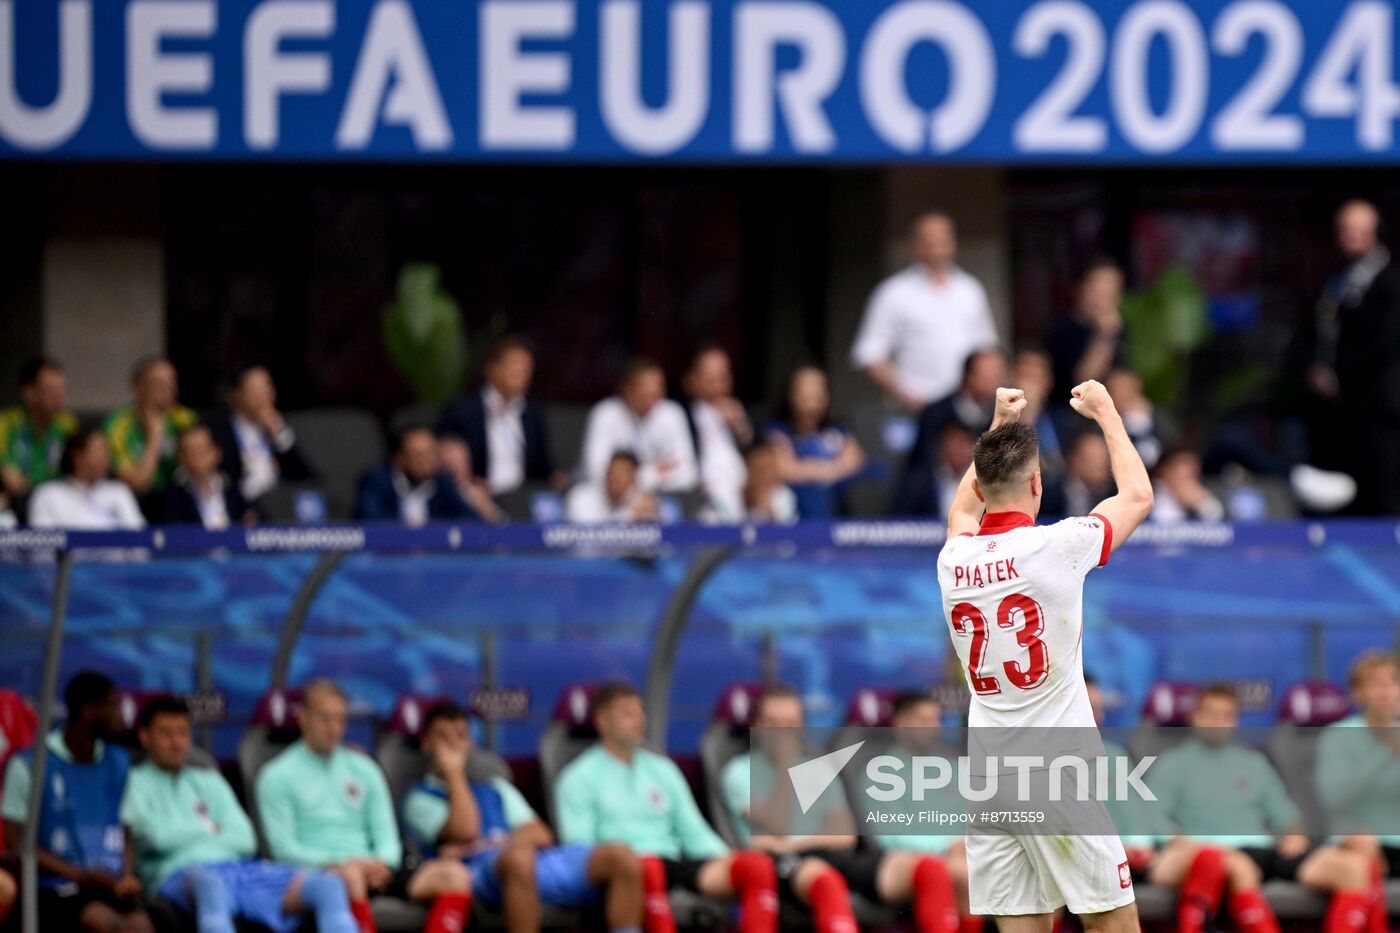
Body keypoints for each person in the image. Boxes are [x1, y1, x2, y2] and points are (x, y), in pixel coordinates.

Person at [938, 378, 1155, 932]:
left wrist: (997, 427)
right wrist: (1108, 414)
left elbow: (963, 509)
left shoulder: (953, 559)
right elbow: (1136, 497)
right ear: (1037, 483)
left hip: (989, 778)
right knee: (1114, 922)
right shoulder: (1054, 546)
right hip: (1056, 773)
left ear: (984, 488)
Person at [722, 685, 976, 933]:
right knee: (826, 881)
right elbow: (777, 822)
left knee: (929, 868)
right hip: (781, 865)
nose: (782, 732)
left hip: (834, 856)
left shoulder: (818, 767)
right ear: (756, 723)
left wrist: (784, 843)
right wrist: (786, 767)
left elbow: (845, 836)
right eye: (773, 723)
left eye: (790, 724)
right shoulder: (739, 771)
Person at [121, 695, 357, 933]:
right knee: (210, 884)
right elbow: (156, 838)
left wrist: (182, 830)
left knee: (328, 885)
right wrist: (210, 829)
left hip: (239, 870)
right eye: (166, 734)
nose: (177, 742)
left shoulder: (209, 779)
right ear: (144, 736)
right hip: (178, 875)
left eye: (183, 733)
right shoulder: (133, 782)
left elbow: (245, 839)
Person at [554, 683, 779, 933]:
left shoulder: (663, 769)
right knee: (649, 868)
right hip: (624, 872)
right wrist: (621, 862)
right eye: (627, 713)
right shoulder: (577, 777)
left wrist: (727, 856)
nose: (638, 720)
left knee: (756, 866)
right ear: (602, 721)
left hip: (672, 862)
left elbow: (693, 829)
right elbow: (580, 850)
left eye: (641, 712)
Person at [1147, 684, 1373, 933]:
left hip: (1263, 850)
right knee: (1238, 867)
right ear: (1195, 716)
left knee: (1353, 868)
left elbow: (1285, 815)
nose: (1219, 722)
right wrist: (1182, 842)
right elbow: (1152, 817)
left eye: (1226, 715)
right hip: (1210, 853)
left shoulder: (1254, 762)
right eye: (1211, 714)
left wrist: (1293, 834)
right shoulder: (1173, 765)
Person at [402, 701, 644, 933]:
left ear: (470, 744)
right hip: (477, 872)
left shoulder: (495, 786)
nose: (454, 745)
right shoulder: (419, 798)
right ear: (427, 744)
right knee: (519, 860)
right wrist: (454, 775)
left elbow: (540, 834)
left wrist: (494, 843)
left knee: (621, 856)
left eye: (461, 736)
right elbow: (465, 829)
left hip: (532, 862)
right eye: (444, 737)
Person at [255, 679, 473, 933]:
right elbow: (284, 851)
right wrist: (345, 863)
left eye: (340, 719)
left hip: (375, 868)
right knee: (350, 877)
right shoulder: (276, 775)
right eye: (325, 719)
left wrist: (382, 862)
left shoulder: (364, 768)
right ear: (303, 718)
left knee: (456, 876)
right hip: (320, 873)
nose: (334, 728)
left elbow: (386, 834)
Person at [1, 671, 154, 933]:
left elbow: (124, 830)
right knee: (106, 924)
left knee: (142, 926)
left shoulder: (119, 761)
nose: (121, 715)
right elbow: (17, 843)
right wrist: (79, 876)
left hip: (109, 886)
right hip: (54, 887)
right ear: (88, 712)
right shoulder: (29, 763)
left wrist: (127, 875)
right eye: (113, 705)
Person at [851, 211, 999, 411]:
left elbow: (986, 349)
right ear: (913, 245)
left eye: (943, 240)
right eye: (928, 241)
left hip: (965, 411)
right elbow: (868, 354)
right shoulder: (893, 292)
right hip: (914, 410)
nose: (936, 248)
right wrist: (907, 394)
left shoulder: (970, 290)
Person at [1316, 651, 1400, 933]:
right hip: (1354, 842)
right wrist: (1386, 751)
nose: (1386, 691)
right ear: (1357, 693)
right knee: (1363, 850)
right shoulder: (1338, 736)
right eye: (1376, 683)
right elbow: (1335, 797)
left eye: (1393, 682)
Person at [437, 335, 556, 495]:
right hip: (477, 494)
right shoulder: (463, 411)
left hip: (522, 499)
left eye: (527, 366)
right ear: (491, 369)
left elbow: (543, 468)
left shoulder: (532, 414)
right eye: (515, 364)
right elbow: (447, 464)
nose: (523, 371)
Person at [892, 349, 1005, 515]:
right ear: (968, 376)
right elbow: (921, 464)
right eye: (986, 377)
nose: (992, 383)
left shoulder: (1003, 415)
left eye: (997, 376)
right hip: (934, 508)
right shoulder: (935, 413)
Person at [581, 359, 698, 494]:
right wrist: (653, 472)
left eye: (657, 392)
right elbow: (595, 472)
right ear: (627, 390)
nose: (652, 398)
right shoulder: (605, 413)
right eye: (645, 392)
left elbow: (688, 474)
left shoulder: (671, 413)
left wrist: (636, 477)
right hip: (607, 499)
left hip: (656, 500)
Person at [209, 365, 316, 506]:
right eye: (255, 389)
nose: (264, 395)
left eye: (267, 387)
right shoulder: (220, 433)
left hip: (280, 511)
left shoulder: (282, 429)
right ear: (238, 395)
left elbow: (307, 479)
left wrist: (280, 436)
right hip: (242, 513)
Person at [767, 367, 865, 519]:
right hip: (794, 520)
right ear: (791, 395)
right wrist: (831, 469)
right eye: (805, 397)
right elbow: (784, 469)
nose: (811, 405)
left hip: (835, 519)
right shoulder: (779, 431)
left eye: (817, 396)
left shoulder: (838, 430)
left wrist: (807, 469)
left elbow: (855, 461)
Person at [104, 357, 199, 499]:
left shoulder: (186, 420)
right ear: (139, 387)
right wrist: (155, 436)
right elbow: (137, 484)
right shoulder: (118, 425)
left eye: (172, 381)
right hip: (137, 502)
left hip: (180, 501)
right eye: (160, 383)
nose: (170, 389)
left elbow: (201, 471)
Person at [682, 345, 753, 520]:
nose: (718, 384)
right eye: (710, 378)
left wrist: (739, 425)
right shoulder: (683, 416)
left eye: (723, 376)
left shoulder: (738, 410)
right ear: (691, 380)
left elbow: (755, 454)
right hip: (702, 500)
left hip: (742, 496)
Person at [354, 425, 476, 524]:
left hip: (434, 552)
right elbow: (371, 522)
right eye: (419, 455)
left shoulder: (443, 482)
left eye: (432, 453)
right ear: (399, 459)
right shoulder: (376, 481)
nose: (428, 461)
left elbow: (469, 522)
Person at [28, 429, 145, 529]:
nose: (105, 458)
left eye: (107, 452)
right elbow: (42, 545)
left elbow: (140, 537)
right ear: (77, 456)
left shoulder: (119, 491)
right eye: (99, 451)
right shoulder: (47, 494)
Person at [1048, 259, 1129, 404]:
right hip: (1070, 412)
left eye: (1113, 289)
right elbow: (1083, 383)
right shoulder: (1063, 330)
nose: (1106, 298)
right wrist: (1104, 336)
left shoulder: (1123, 327)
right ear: (1082, 288)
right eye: (1101, 289)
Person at [0, 356, 77, 503]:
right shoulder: (5, 424)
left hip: (58, 503)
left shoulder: (68, 425)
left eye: (61, 388)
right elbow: (12, 481)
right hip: (15, 504)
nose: (59, 395)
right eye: (50, 389)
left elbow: (76, 477)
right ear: (28, 392)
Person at [163, 425, 251, 529]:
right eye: (189, 451)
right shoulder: (173, 499)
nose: (196, 457)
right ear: (181, 458)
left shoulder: (235, 490)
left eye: (201, 449)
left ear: (216, 452)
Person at [566, 452, 660, 524]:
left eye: (623, 474)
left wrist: (648, 514)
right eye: (612, 471)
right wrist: (629, 515)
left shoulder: (640, 498)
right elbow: (588, 535)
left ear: (634, 480)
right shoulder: (580, 496)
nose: (615, 478)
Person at [437, 436, 506, 524]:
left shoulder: (485, 491)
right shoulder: (435, 493)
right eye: (449, 464)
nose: (454, 469)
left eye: (459, 461)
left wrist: (489, 510)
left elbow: (503, 524)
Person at [1149, 448, 1224, 524]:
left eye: (1194, 474)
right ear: (1165, 472)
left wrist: (1203, 502)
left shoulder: (1201, 498)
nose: (1190, 483)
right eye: (1186, 475)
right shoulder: (1150, 493)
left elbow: (1217, 527)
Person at [741, 444, 797, 524]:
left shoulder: (784, 495)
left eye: (771, 469)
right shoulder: (743, 492)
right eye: (763, 470)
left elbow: (785, 528)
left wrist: (769, 512)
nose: (767, 474)